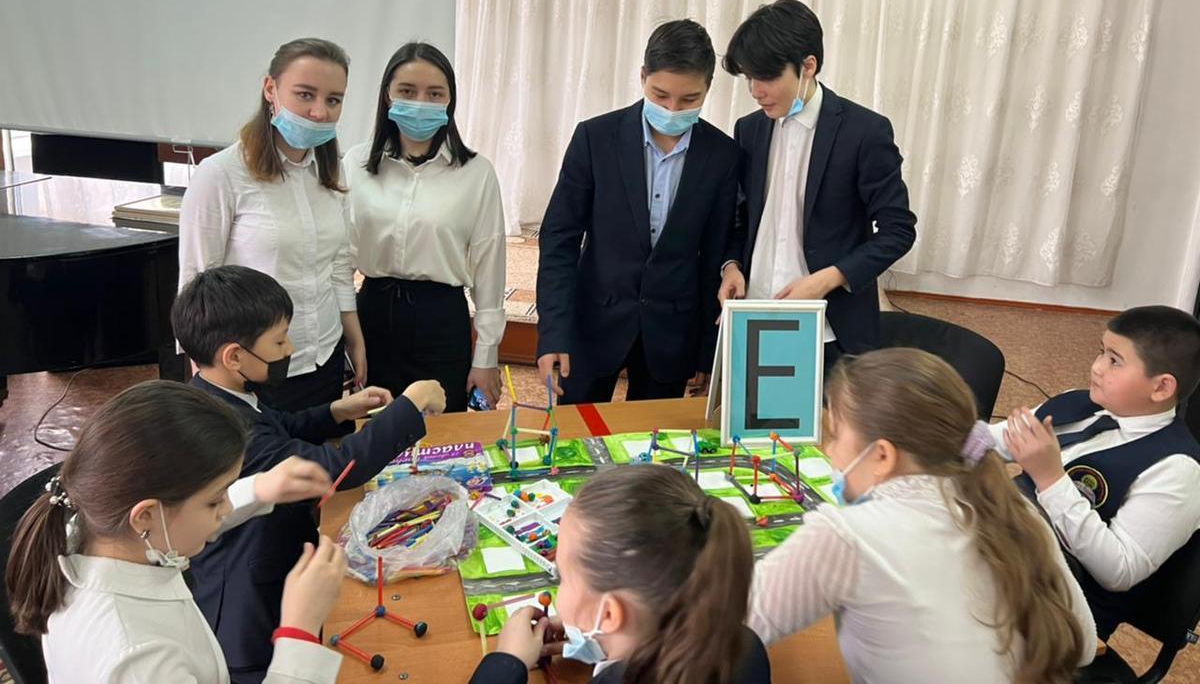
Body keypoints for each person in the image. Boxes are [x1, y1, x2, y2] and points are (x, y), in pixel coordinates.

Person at [749, 348, 1097, 684]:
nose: (829, 451)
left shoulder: (845, 535)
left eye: (836, 436)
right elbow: (1082, 645)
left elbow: (735, 624)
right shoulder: (1014, 508)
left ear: (882, 456)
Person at [172, 265, 445, 684]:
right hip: (250, 610)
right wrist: (410, 405)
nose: (290, 348)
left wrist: (337, 410)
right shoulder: (231, 429)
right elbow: (334, 470)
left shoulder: (216, 394)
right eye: (280, 341)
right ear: (234, 356)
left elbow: (280, 425)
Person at [6, 380, 347, 684]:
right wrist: (300, 631)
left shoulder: (93, 526)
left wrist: (258, 488)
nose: (227, 507)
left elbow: (178, 516)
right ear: (144, 516)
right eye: (216, 500)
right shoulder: (139, 661)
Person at [536, 20, 738, 403]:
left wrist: (706, 351)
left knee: (654, 436)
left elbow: (714, 254)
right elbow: (559, 239)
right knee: (579, 433)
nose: (672, 109)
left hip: (671, 334)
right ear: (643, 76)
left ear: (708, 87)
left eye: (689, 99)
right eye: (660, 95)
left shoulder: (722, 155)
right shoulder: (596, 138)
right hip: (593, 324)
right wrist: (553, 333)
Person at [719, 0, 916, 370]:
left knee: (828, 410)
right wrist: (731, 266)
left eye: (766, 77)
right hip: (754, 316)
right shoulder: (749, 130)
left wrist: (828, 279)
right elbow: (740, 217)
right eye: (749, 78)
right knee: (755, 410)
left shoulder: (864, 132)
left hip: (829, 324)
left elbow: (898, 231)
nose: (756, 91)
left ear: (808, 66)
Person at [179, 37, 366, 411]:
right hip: (253, 370)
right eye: (305, 95)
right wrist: (209, 385)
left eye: (333, 100)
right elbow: (196, 285)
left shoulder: (332, 171)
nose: (319, 112)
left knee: (319, 448)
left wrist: (354, 339)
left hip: (322, 357)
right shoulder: (221, 174)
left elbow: (338, 265)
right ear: (270, 89)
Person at [992, 305, 1200, 639]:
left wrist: (1051, 480)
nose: (1097, 367)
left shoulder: (1178, 469)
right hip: (1001, 549)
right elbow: (996, 439)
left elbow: (1119, 570)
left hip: (1057, 612)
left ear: (1161, 388)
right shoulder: (1079, 404)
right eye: (1101, 352)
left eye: (1114, 361)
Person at [470, 464, 770, 684]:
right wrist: (610, 645)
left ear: (609, 614)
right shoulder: (747, 648)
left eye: (564, 577)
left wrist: (506, 663)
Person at [344, 42, 506, 412]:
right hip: (374, 314)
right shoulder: (356, 164)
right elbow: (339, 258)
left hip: (440, 319)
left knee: (442, 429)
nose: (421, 103)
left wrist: (486, 357)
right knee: (374, 425)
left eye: (435, 94)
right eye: (407, 91)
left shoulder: (476, 172)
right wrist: (347, 336)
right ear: (388, 96)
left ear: (450, 100)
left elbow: (490, 268)